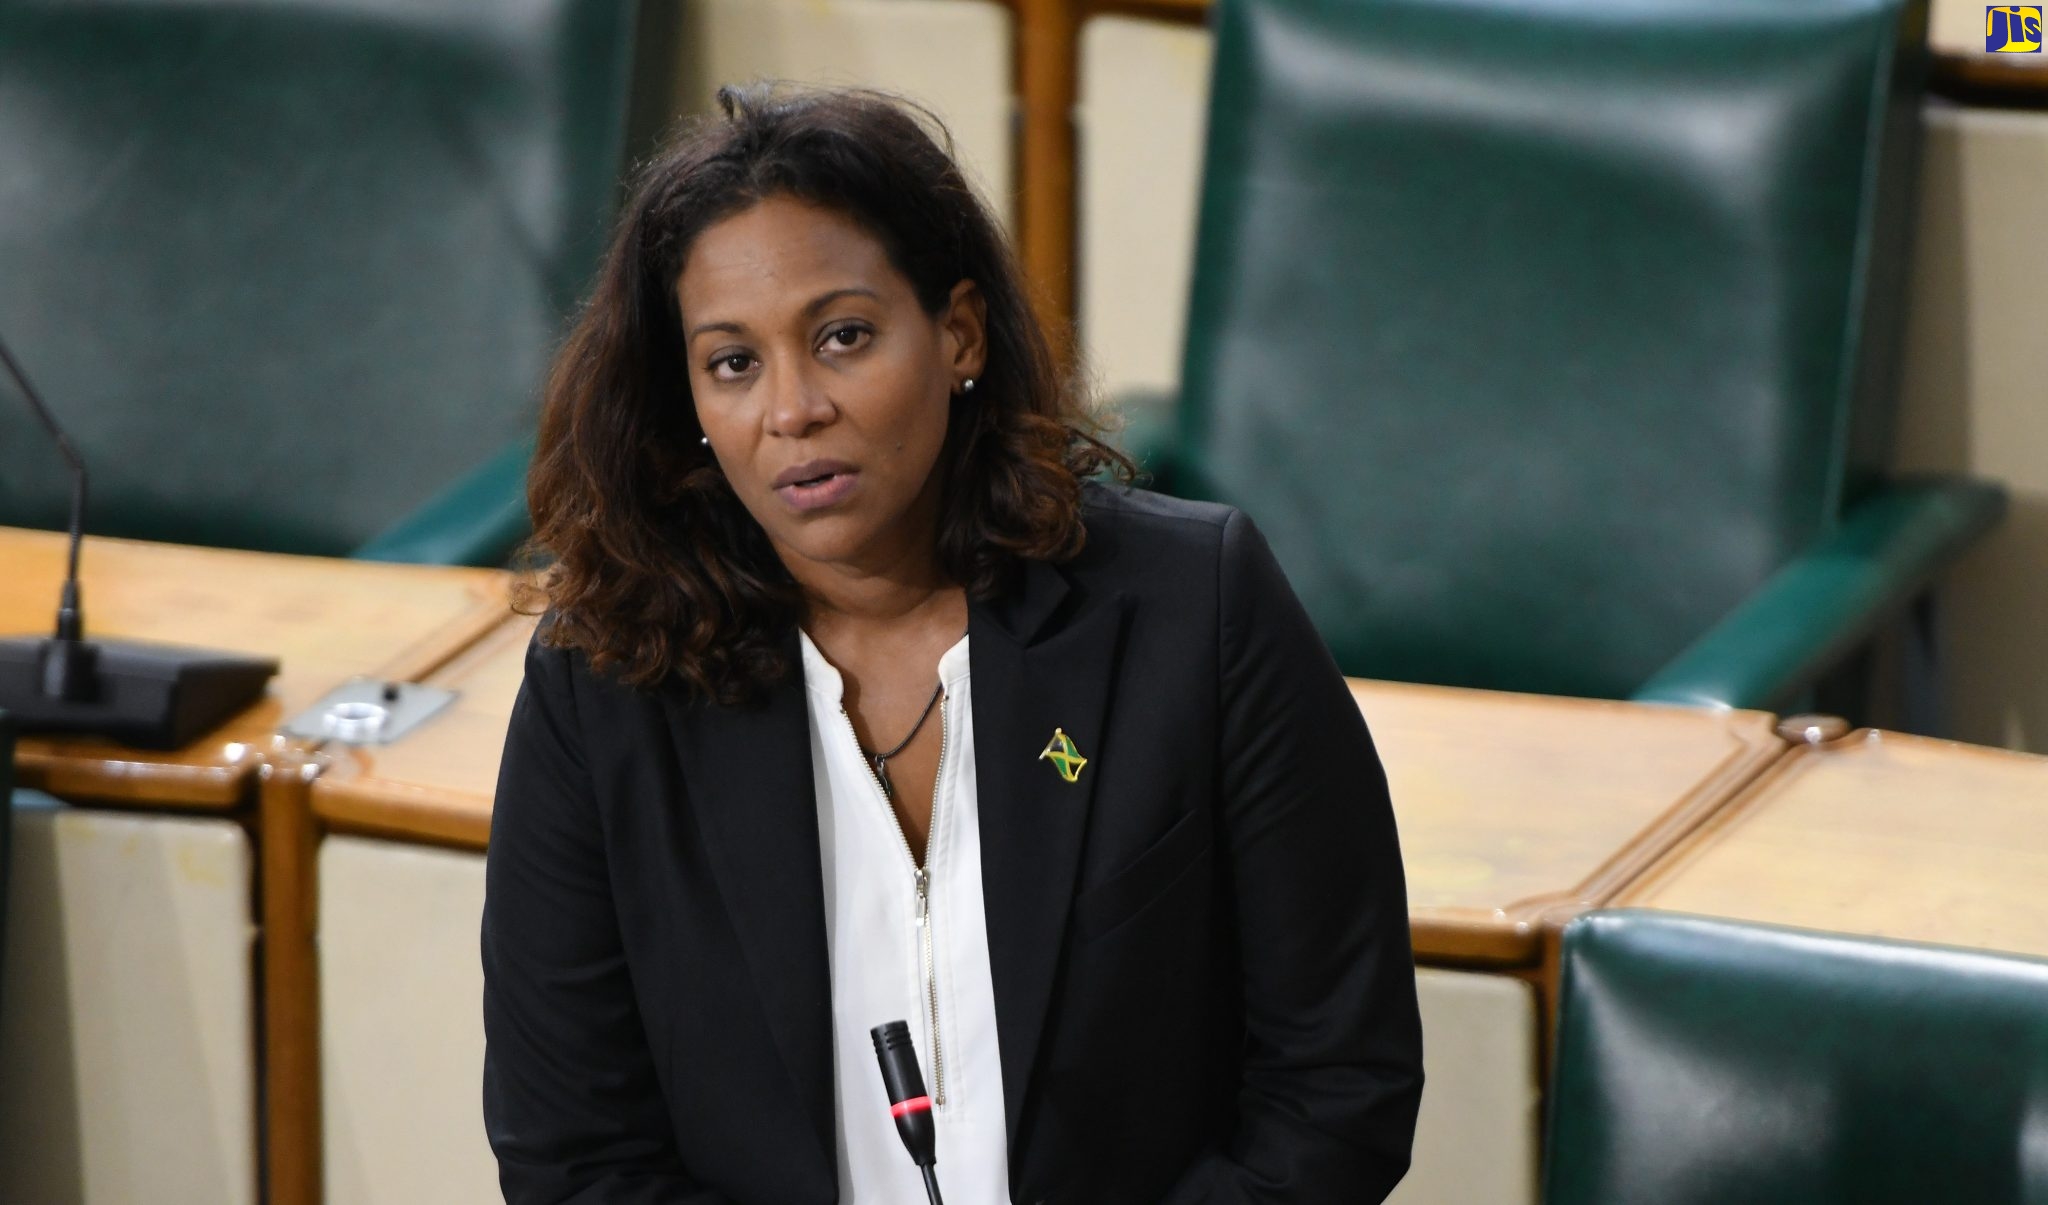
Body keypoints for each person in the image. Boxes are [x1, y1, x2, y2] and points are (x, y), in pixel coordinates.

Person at [482, 84, 1423, 1205]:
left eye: (842, 336)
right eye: (732, 362)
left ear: (958, 331)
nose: (792, 410)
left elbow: (1335, 1081)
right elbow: (574, 1155)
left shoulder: (1193, 608)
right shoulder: (605, 681)